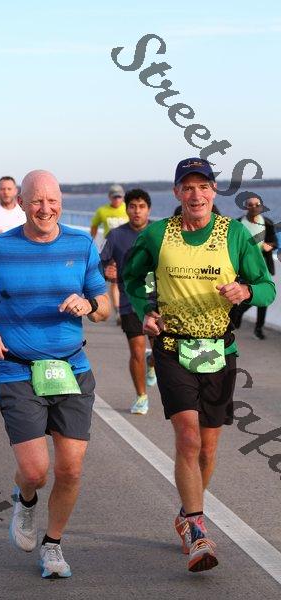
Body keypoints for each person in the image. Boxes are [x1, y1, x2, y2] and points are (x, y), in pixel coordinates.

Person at [123, 157, 276, 573]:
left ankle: (187, 512)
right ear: (176, 192)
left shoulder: (235, 234)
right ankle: (197, 529)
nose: (196, 195)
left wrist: (245, 291)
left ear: (214, 191)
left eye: (203, 186)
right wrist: (145, 311)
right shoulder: (157, 234)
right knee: (188, 439)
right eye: (188, 187)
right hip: (172, 348)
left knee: (208, 448)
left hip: (219, 351)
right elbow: (132, 278)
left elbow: (266, 287)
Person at [0, 170, 110, 579]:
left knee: (71, 469)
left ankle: (53, 545)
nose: (46, 209)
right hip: (18, 370)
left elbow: (104, 305)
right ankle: (25, 500)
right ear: (21, 203)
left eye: (52, 200)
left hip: (72, 369)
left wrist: (89, 305)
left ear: (61, 202)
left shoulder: (81, 244)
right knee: (35, 472)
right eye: (37, 201)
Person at [100, 188, 156, 415]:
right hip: (129, 301)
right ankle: (141, 396)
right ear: (127, 209)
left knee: (162, 352)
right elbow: (100, 263)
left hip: (158, 300)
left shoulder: (159, 232)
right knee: (136, 351)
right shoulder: (115, 236)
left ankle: (153, 362)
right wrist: (107, 271)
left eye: (141, 207)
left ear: (148, 209)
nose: (137, 211)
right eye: (132, 206)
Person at [230, 195, 277, 339]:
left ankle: (258, 329)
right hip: (244, 268)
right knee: (244, 295)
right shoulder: (238, 223)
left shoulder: (267, 223)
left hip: (263, 266)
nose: (254, 207)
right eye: (251, 205)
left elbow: (274, 242)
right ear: (246, 207)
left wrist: (270, 246)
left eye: (257, 204)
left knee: (263, 299)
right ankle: (237, 317)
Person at [90, 184, 129, 324]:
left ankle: (132, 308)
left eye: (119, 197)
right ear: (110, 197)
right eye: (114, 197)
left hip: (129, 248)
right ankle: (119, 312)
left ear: (123, 197)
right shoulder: (102, 211)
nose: (117, 199)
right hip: (112, 249)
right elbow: (94, 225)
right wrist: (92, 242)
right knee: (115, 280)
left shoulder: (128, 209)